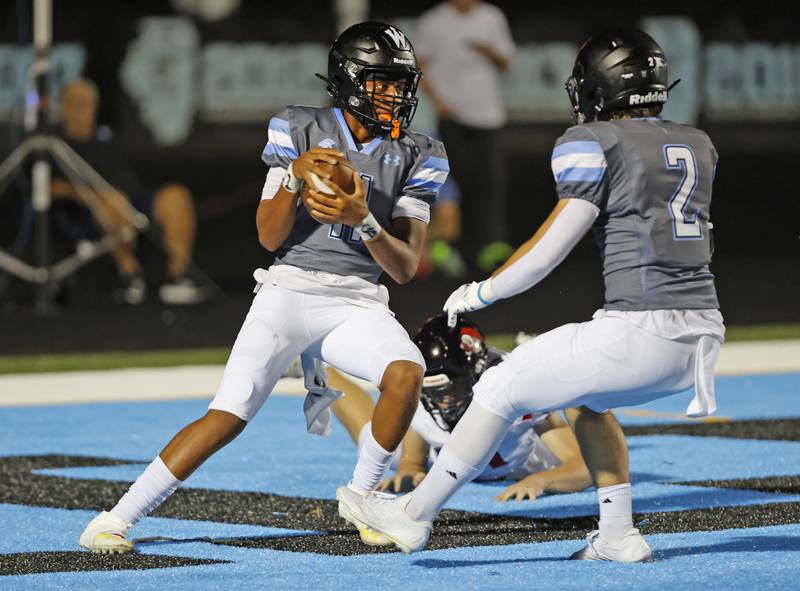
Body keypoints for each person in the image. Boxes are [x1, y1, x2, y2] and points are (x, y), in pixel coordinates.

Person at [337, 29, 725, 563]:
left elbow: (550, 249)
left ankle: (411, 516)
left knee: (498, 385)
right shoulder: (696, 143)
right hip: (702, 335)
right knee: (592, 403)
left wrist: (481, 291)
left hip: (640, 327)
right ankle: (616, 534)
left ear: (597, 87)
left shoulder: (592, 142)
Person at [78, 21, 448, 554]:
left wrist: (363, 218)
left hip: (357, 301)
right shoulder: (298, 127)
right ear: (348, 79)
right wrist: (295, 178)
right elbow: (268, 235)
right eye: (382, 81)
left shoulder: (419, 151)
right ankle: (115, 517)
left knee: (406, 373)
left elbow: (406, 266)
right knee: (229, 414)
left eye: (399, 83)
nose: (394, 94)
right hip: (290, 290)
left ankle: (363, 497)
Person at [329, 314, 592, 505]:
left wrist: (543, 480)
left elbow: (585, 466)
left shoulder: (513, 387)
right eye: (432, 392)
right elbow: (415, 439)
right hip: (443, 454)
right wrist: (410, 466)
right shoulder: (421, 395)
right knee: (373, 437)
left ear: (478, 373)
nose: (443, 402)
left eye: (450, 390)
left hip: (519, 460)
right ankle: (320, 368)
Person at [52, 78, 210, 305]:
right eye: (76, 102)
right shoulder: (54, 144)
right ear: (63, 106)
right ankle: (130, 276)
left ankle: (178, 276)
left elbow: (129, 181)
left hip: (130, 200)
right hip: (86, 212)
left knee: (176, 196)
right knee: (114, 201)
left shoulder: (106, 138)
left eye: (88, 102)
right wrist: (93, 196)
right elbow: (51, 188)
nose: (82, 108)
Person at [416, 0, 515, 271]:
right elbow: (419, 67)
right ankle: (445, 247)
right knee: (450, 184)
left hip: (488, 116)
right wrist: (439, 104)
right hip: (450, 117)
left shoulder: (492, 16)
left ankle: (490, 246)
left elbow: (505, 62)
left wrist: (489, 51)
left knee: (490, 183)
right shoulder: (433, 21)